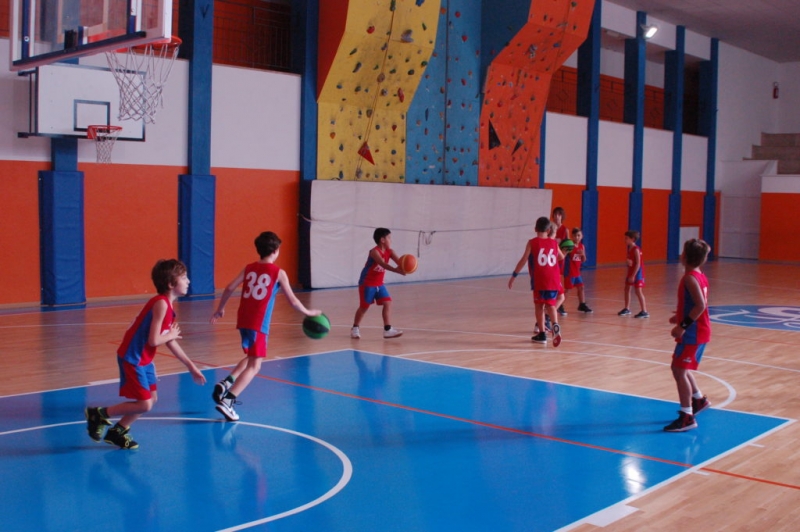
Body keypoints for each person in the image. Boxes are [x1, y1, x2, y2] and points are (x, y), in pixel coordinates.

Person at [84, 259, 207, 450]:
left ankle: (118, 431)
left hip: (144, 359)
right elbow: (154, 340)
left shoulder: (167, 305)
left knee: (152, 399)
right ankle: (99, 414)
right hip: (132, 358)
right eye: (184, 277)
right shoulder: (161, 304)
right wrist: (171, 335)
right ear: (170, 283)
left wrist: (191, 367)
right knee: (145, 404)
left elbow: (169, 341)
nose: (188, 281)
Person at [209, 231, 322, 422]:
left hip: (243, 319)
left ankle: (226, 382)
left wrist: (220, 309)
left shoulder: (249, 268)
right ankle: (228, 401)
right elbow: (293, 300)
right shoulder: (279, 272)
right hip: (258, 323)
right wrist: (308, 312)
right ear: (276, 250)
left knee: (251, 356)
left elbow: (229, 287)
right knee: (255, 365)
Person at [664, 239, 712, 432]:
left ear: (684, 256)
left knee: (679, 370)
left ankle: (687, 416)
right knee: (681, 368)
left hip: (693, 332)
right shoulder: (699, 275)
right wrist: (680, 315)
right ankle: (698, 400)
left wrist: (682, 326)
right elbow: (694, 304)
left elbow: (700, 305)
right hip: (698, 330)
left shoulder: (690, 278)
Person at [509, 216, 564, 346]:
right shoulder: (554, 243)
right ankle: (555, 325)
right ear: (549, 230)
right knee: (551, 305)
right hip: (553, 279)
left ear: (535, 229)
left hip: (540, 279)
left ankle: (542, 334)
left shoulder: (532, 243)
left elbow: (523, 260)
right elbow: (561, 257)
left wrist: (514, 275)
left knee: (539, 306)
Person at [351, 228, 405, 339]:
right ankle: (355, 328)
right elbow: (382, 264)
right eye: (389, 238)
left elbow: (401, 262)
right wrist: (396, 270)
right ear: (382, 240)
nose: (391, 240)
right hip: (367, 283)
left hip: (379, 283)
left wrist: (407, 266)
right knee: (364, 307)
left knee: (388, 302)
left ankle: (387, 329)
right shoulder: (374, 252)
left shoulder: (390, 252)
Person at [619, 230, 649, 318]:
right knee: (627, 289)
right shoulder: (630, 249)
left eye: (626, 238)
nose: (625, 240)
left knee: (638, 291)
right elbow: (632, 262)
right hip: (631, 271)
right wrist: (628, 263)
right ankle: (627, 308)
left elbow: (638, 263)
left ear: (632, 239)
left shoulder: (636, 249)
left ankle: (644, 311)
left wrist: (633, 275)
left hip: (637, 273)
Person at [563, 227, 593, 313]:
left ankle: (582, 304)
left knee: (581, 287)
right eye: (575, 236)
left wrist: (583, 255)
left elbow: (583, 260)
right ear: (572, 236)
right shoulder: (570, 246)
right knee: (568, 290)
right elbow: (562, 256)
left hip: (577, 272)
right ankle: (560, 305)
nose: (577, 237)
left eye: (579, 235)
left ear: (582, 236)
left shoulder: (581, 246)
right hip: (569, 272)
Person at [551, 207, 569, 317]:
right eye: (555, 214)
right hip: (550, 258)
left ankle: (559, 304)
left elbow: (569, 246)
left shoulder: (565, 230)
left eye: (559, 214)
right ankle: (552, 302)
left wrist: (563, 256)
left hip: (560, 258)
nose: (557, 216)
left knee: (558, 279)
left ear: (562, 216)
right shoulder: (550, 228)